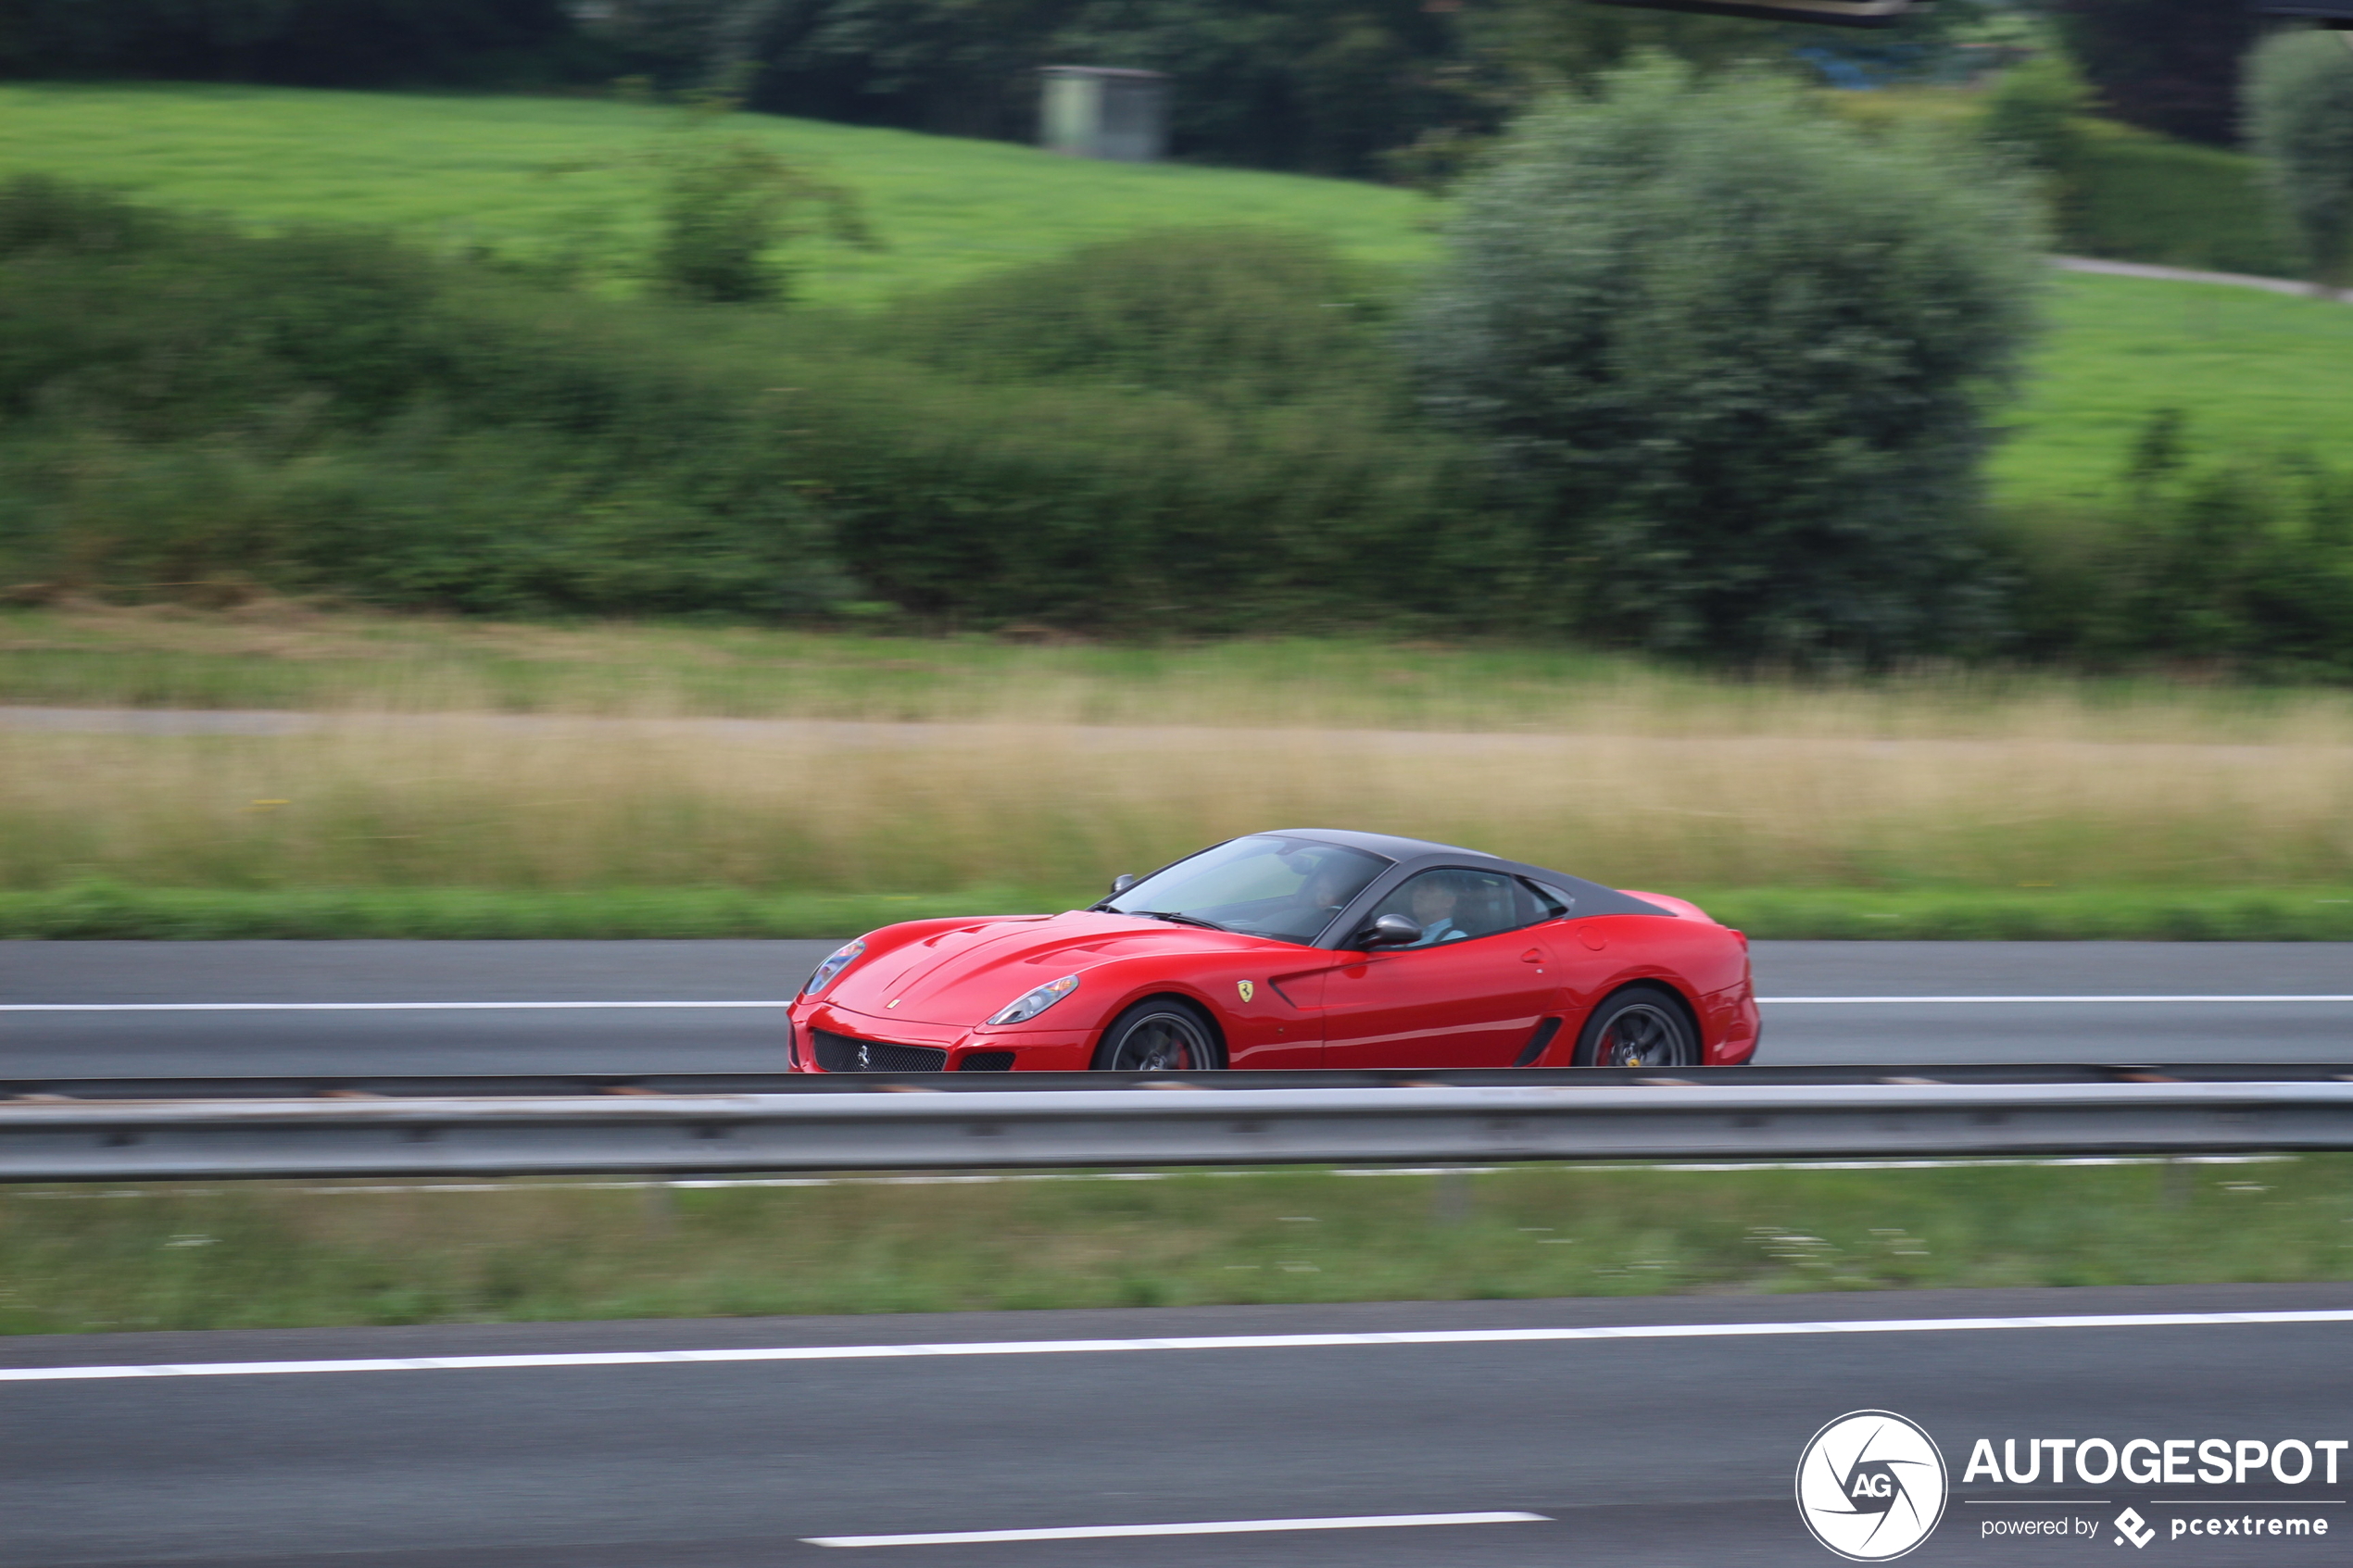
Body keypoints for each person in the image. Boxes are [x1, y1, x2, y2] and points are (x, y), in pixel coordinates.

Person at [1403, 876, 1469, 947]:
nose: (1418, 894)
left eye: (1428, 890)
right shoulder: (1404, 935)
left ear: (1449, 901)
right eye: (1417, 889)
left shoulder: (1456, 940)